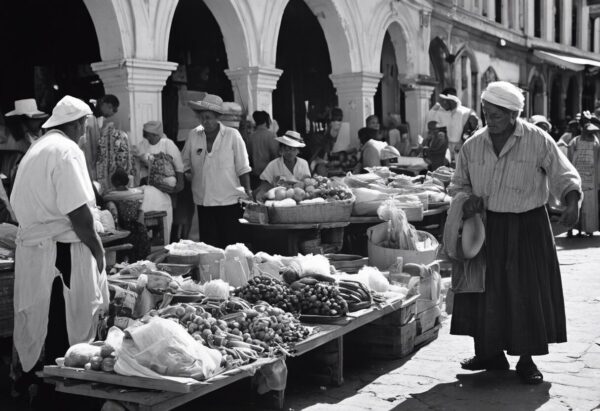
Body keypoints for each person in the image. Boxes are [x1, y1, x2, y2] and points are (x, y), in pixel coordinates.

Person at [449, 81, 581, 385]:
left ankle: (526, 360)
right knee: (484, 291)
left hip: (527, 226)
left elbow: (564, 174)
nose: (489, 121)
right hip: (485, 226)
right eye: (486, 113)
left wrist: (572, 200)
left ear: (513, 114)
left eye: (496, 115)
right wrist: (465, 200)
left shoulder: (538, 140)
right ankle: (490, 354)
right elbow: (458, 183)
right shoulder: (473, 144)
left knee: (526, 292)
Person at [10, 96, 109, 402]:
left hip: (37, 250)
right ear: (79, 123)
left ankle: (36, 384)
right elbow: (78, 213)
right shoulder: (67, 151)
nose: (84, 130)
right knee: (62, 322)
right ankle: (61, 393)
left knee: (41, 318)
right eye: (84, 125)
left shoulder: (36, 149)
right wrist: (98, 250)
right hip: (60, 252)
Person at [182, 93, 252, 248]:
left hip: (229, 200)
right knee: (209, 246)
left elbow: (243, 167)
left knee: (231, 245)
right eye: (202, 117)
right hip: (204, 201)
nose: (205, 121)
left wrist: (248, 192)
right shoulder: (194, 135)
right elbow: (185, 163)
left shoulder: (232, 135)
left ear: (217, 117)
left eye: (208, 117)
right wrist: (187, 175)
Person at [567, 116, 600, 236]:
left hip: (592, 179)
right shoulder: (575, 141)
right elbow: (569, 158)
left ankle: (589, 229)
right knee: (575, 204)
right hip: (577, 178)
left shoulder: (596, 142)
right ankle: (572, 229)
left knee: (589, 206)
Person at [79, 95, 120, 180]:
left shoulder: (99, 118)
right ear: (105, 103)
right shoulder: (89, 114)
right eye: (110, 108)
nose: (110, 113)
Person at [427, 88, 473, 162]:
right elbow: (431, 125)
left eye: (445, 100)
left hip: (459, 145)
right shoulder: (441, 112)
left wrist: (462, 142)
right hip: (446, 146)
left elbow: (468, 131)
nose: (443, 103)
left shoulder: (463, 112)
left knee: (459, 167)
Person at [305, 107, 344, 173]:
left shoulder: (332, 128)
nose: (339, 125)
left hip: (321, 153)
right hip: (319, 152)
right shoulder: (323, 135)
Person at [247, 111, 279, 188]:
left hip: (256, 174)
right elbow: (275, 155)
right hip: (269, 174)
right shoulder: (271, 136)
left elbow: (249, 156)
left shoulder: (251, 137)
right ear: (266, 121)